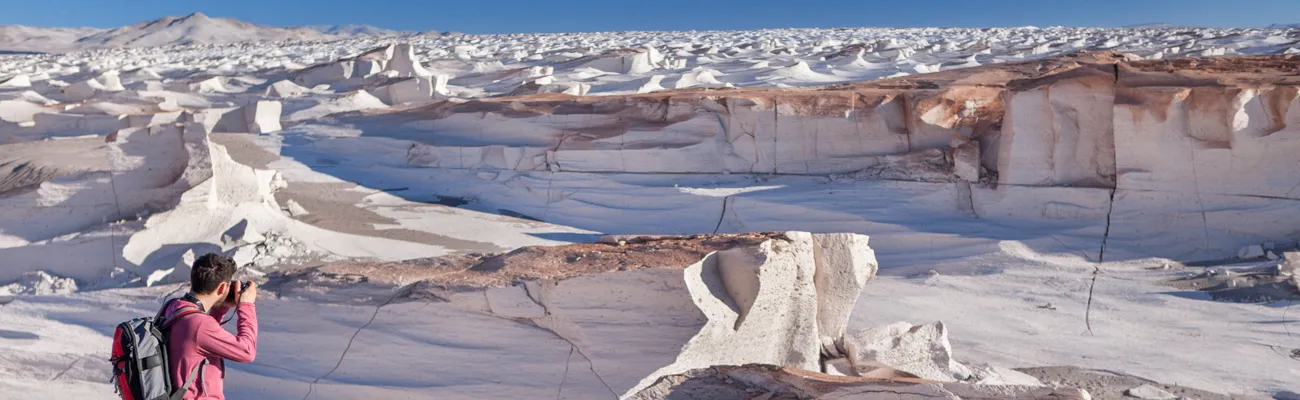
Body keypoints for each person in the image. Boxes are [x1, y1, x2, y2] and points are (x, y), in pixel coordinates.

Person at [159, 253, 259, 400]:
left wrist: (221, 306)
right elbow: (247, 351)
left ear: (192, 281)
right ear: (222, 287)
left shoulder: (173, 307)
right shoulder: (200, 325)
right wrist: (246, 306)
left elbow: (198, 340)